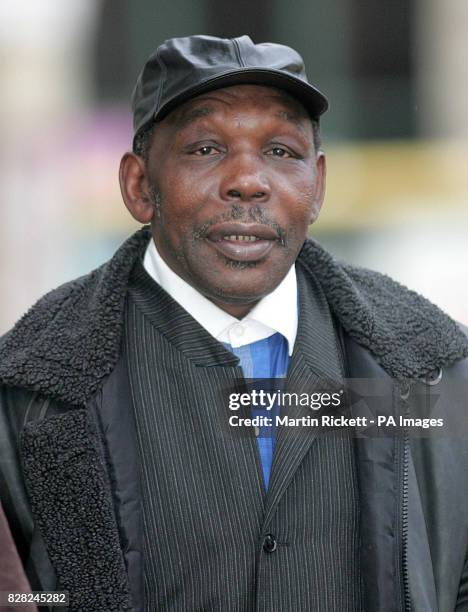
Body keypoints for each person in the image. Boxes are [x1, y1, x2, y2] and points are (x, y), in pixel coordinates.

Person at [0, 34, 467, 612]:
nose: (248, 181)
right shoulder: (26, 389)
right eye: (205, 149)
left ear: (317, 185)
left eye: (280, 151)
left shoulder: (436, 367)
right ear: (140, 186)